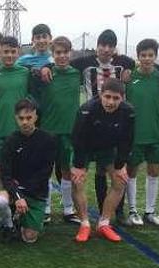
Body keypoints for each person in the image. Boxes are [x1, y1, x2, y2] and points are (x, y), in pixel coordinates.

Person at [41, 29, 136, 218]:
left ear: (114, 48)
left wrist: (130, 67)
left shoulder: (121, 64)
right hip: (88, 123)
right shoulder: (83, 64)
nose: (106, 49)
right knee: (74, 170)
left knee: (109, 170)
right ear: (97, 47)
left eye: (110, 46)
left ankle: (114, 212)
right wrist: (45, 67)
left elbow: (131, 62)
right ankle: (60, 210)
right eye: (103, 45)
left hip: (112, 125)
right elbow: (60, 61)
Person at [70, 79, 135, 243]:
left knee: (120, 182)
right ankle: (84, 224)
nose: (111, 102)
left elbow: (127, 140)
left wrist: (120, 166)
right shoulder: (87, 110)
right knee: (77, 182)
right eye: (107, 97)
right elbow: (77, 139)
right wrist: (79, 167)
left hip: (108, 148)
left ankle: (104, 223)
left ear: (122, 98)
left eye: (116, 98)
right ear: (100, 95)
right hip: (85, 148)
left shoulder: (128, 112)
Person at [0, 99, 56, 243]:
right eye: (21, 118)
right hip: (14, 191)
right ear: (16, 118)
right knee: (0, 201)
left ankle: (21, 219)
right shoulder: (10, 141)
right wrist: (18, 195)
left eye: (29, 118)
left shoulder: (48, 140)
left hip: (36, 192)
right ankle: (9, 226)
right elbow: (6, 175)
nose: (25, 122)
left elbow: (45, 173)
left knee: (29, 238)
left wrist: (24, 193)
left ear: (36, 117)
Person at [35, 36, 81, 224]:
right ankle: (45, 208)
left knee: (66, 170)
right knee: (46, 169)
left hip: (69, 130)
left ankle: (68, 209)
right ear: (52, 55)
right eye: (58, 53)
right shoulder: (45, 74)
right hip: (48, 130)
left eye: (65, 52)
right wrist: (44, 67)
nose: (62, 56)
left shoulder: (76, 73)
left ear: (70, 53)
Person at [125, 38, 159, 226]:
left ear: (156, 56)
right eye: (143, 55)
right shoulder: (129, 78)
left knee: (154, 172)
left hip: (155, 133)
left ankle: (150, 212)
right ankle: (133, 210)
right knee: (132, 172)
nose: (147, 58)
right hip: (135, 134)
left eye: (150, 55)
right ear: (138, 57)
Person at [0, 36, 32, 171]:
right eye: (6, 52)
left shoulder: (25, 72)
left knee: (21, 171)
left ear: (18, 52)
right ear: (0, 52)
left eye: (13, 51)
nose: (9, 55)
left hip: (21, 130)